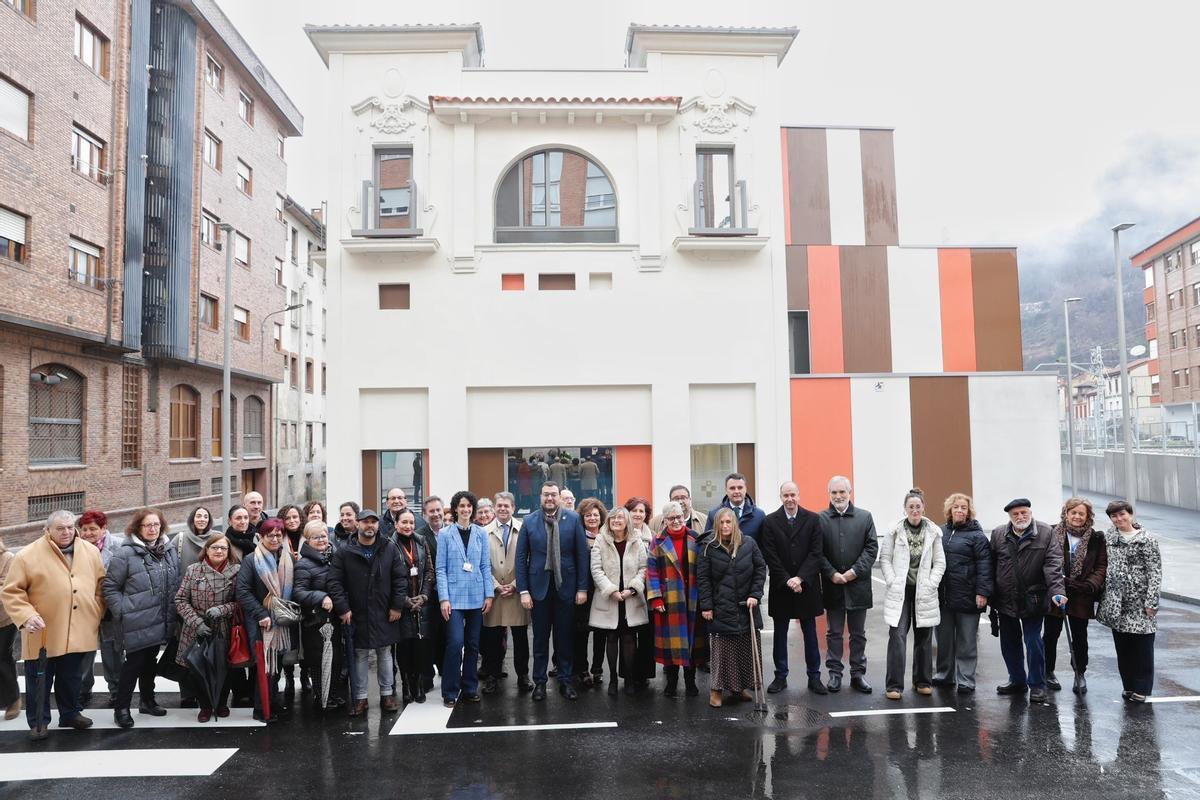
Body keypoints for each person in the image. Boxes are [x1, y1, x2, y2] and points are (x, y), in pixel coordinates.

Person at [1, 511, 105, 739]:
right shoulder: (27, 555)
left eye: (69, 527)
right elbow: (11, 592)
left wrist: (96, 610)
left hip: (79, 628)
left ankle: (70, 714)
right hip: (43, 632)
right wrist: (26, 615)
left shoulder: (90, 551)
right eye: (60, 528)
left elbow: (100, 586)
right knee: (39, 680)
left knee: (72, 677)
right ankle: (39, 723)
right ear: (47, 530)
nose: (66, 532)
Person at [103, 507, 182, 728]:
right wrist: (123, 610)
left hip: (161, 617)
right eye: (147, 525)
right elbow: (110, 587)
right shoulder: (125, 553)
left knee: (150, 662)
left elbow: (174, 581)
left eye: (156, 524)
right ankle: (122, 708)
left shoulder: (168, 549)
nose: (152, 529)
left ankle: (148, 700)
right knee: (134, 664)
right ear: (138, 527)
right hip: (136, 620)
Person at [328, 508, 408, 716]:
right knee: (360, 654)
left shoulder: (388, 548)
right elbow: (334, 582)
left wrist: (397, 606)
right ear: (358, 525)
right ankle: (361, 697)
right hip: (357, 612)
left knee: (385, 653)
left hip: (384, 611)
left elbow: (400, 579)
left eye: (373, 522)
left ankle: (387, 695)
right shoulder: (345, 551)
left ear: (378, 525)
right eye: (365, 522)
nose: (369, 525)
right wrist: (343, 608)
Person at [989, 498, 1067, 706]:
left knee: (1033, 642)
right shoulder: (998, 534)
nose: (1020, 517)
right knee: (1009, 642)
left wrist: (1057, 591)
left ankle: (1037, 684)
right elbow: (991, 565)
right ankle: (1017, 680)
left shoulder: (1045, 532)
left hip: (1034, 597)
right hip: (1005, 598)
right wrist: (989, 593)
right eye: (1015, 514)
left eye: (1024, 512)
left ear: (1030, 512)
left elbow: (1053, 564)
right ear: (1009, 517)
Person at [517, 482, 589, 701]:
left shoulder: (574, 519)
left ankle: (565, 681)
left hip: (566, 587)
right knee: (540, 638)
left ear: (559, 497)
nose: (549, 498)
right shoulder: (529, 522)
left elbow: (581, 555)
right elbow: (521, 559)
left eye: (553, 495)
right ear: (540, 497)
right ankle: (539, 682)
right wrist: (524, 591)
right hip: (538, 589)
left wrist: (582, 588)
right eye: (546, 494)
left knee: (564, 637)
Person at [760, 481, 826, 695]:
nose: (790, 499)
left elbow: (816, 553)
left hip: (806, 587)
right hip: (782, 586)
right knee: (780, 634)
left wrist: (801, 579)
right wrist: (788, 579)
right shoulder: (770, 522)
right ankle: (780, 676)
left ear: (799, 495)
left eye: (793, 495)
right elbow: (770, 554)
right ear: (781, 497)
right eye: (786, 495)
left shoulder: (814, 520)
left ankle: (814, 677)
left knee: (810, 634)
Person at [880, 489, 946, 700]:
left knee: (924, 638)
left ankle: (923, 681)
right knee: (897, 636)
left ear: (923, 508)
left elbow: (940, 562)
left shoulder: (934, 532)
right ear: (905, 509)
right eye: (911, 507)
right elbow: (885, 558)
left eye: (918, 507)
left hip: (923, 591)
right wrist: (892, 581)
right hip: (901, 592)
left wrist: (931, 582)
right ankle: (894, 685)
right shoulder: (895, 530)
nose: (915, 510)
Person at [699, 507, 767, 708]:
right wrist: (707, 606)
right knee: (722, 653)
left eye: (729, 522)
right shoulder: (708, 546)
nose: (725, 526)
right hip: (721, 607)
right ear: (716, 524)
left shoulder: (749, 543)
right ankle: (716, 690)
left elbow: (760, 569)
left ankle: (739, 689)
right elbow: (703, 580)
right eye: (721, 522)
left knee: (744, 650)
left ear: (735, 523)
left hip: (746, 607)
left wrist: (755, 594)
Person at [1097, 499, 1161, 703]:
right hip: (1117, 601)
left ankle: (1142, 688)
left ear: (1131, 514)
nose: (1119, 519)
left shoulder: (1147, 539)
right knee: (1122, 646)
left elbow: (1155, 571)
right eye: (1114, 516)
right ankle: (1129, 685)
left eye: (1122, 514)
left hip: (1140, 601)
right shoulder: (1108, 537)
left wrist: (1152, 601)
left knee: (1142, 646)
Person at [236, 517, 299, 722]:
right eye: (269, 535)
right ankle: (261, 708)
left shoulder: (288, 559)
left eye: (278, 534)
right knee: (264, 666)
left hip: (282, 621)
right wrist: (261, 614)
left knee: (277, 665)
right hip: (261, 621)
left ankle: (271, 701)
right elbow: (243, 592)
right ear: (261, 537)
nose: (274, 538)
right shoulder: (251, 560)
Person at [819, 476, 878, 693]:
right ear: (829, 494)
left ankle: (857, 674)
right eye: (834, 492)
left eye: (842, 492)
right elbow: (817, 552)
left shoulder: (865, 517)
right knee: (834, 633)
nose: (838, 496)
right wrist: (832, 573)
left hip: (858, 587)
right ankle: (834, 674)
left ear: (850, 492)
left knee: (858, 634)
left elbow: (872, 549)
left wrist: (854, 572)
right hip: (832, 586)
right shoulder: (821, 519)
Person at [1044, 497, 1107, 695]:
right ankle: (1048, 672)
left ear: (1088, 516)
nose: (1077, 516)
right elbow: (1045, 560)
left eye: (1081, 513)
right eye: (1073, 512)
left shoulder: (1096, 538)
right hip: (1056, 592)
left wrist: (1090, 585)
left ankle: (1079, 673)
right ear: (1066, 513)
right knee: (1051, 635)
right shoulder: (1052, 532)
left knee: (1080, 637)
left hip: (1081, 594)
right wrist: (1057, 583)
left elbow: (1101, 566)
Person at [174, 534, 241, 721]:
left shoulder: (237, 570)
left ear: (229, 551)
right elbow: (180, 599)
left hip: (224, 628)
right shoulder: (193, 570)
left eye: (223, 548)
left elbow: (241, 602)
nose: (219, 551)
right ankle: (204, 705)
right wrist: (197, 622)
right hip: (196, 629)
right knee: (198, 668)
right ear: (207, 549)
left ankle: (220, 703)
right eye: (214, 547)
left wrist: (222, 609)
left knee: (224, 668)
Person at [437, 491, 493, 708]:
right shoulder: (445, 534)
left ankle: (469, 688)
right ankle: (450, 690)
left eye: (469, 506)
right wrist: (444, 599)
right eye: (461, 506)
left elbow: (485, 566)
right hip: (453, 597)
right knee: (455, 642)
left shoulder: (480, 533)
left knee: (472, 644)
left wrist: (489, 594)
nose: (466, 510)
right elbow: (441, 569)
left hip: (477, 596)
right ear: (455, 508)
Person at [932, 493, 993, 694]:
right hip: (944, 597)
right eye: (956, 507)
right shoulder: (940, 532)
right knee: (944, 639)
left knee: (967, 641)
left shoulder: (977, 536)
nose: (959, 510)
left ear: (969, 511)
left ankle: (966, 679)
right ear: (949, 509)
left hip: (968, 597)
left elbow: (986, 567)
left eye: (963, 508)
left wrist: (982, 593)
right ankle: (944, 675)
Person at [646, 501, 708, 698]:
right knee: (672, 646)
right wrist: (656, 598)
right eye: (671, 518)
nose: (675, 521)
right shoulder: (658, 540)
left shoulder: (695, 537)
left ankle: (691, 684)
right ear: (664, 520)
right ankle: (671, 684)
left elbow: (704, 569)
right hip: (669, 599)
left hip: (692, 598)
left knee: (691, 644)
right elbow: (651, 571)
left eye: (679, 517)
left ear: (684, 517)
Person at [589, 507, 648, 696]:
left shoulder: (636, 539)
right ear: (608, 521)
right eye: (613, 517)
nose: (616, 520)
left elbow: (644, 567)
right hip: (610, 598)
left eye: (620, 517)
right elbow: (596, 569)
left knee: (630, 639)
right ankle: (613, 678)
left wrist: (633, 588)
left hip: (630, 598)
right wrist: (611, 590)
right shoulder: (601, 539)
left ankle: (629, 678)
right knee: (612, 638)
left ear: (627, 521)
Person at [293, 520, 346, 711]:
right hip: (315, 622)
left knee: (336, 659)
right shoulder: (303, 564)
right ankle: (322, 697)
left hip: (334, 619)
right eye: (316, 537)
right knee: (319, 660)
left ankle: (331, 694)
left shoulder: (334, 557)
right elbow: (299, 593)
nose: (321, 540)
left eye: (323, 535)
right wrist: (321, 596)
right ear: (307, 540)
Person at [482, 492, 532, 694]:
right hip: (494, 593)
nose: (502, 509)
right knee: (492, 638)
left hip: (517, 591)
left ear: (513, 508)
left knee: (520, 637)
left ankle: (523, 675)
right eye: (499, 505)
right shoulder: (483, 532)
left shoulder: (524, 530)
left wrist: (515, 584)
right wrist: (495, 585)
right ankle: (492, 676)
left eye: (506, 506)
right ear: (494, 507)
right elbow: (481, 564)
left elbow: (530, 561)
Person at [75, 510, 125, 707]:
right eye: (84, 529)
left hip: (110, 611)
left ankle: (116, 690)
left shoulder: (119, 547)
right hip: (85, 609)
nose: (88, 533)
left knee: (113, 652)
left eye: (93, 529)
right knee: (83, 653)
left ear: (104, 528)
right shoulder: (75, 548)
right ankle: (83, 689)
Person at [393, 508, 433, 704]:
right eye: (404, 522)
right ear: (396, 524)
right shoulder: (389, 544)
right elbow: (388, 579)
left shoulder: (421, 541)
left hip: (421, 605)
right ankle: (406, 685)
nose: (408, 526)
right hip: (401, 605)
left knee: (420, 647)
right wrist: (406, 601)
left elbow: (429, 571)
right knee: (404, 647)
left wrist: (424, 596)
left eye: (411, 522)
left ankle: (418, 684)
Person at [575, 497, 607, 689]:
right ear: (582, 517)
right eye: (588, 515)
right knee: (581, 632)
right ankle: (582, 669)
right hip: (584, 591)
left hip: (603, 591)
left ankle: (598, 670)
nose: (592, 518)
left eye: (595, 515)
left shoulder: (607, 536)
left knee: (601, 633)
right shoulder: (578, 536)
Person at [416, 496, 447, 693]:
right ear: (425, 514)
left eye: (438, 510)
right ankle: (426, 677)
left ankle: (445, 670)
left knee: (446, 635)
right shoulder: (419, 536)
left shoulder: (451, 532)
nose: (436, 514)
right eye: (431, 511)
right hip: (427, 594)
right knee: (426, 638)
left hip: (447, 595)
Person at [705, 473, 766, 543]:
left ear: (745, 489)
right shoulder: (714, 515)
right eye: (732, 488)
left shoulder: (759, 515)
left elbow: (764, 545)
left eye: (740, 488)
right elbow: (707, 543)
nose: (736, 491)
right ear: (726, 490)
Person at [0, 537, 17, 721]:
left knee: (3, 658)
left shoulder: (7, 558)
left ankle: (13, 699)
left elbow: (6, 588)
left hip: (4, 618)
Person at [176, 506, 218, 570]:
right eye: (198, 516)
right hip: (187, 579)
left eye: (206, 517)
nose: (202, 519)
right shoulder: (180, 538)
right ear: (192, 519)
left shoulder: (217, 537)